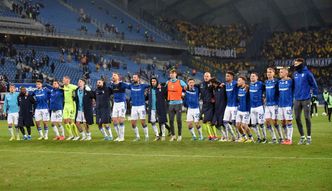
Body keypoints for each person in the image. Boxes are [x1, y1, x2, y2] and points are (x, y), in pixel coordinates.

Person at [292, 58, 318, 145]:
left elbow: (314, 85)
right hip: (297, 99)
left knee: (307, 117)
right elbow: (293, 86)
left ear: (301, 63)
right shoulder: (295, 74)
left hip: (306, 99)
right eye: (294, 63)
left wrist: (314, 95)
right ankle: (302, 137)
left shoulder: (308, 73)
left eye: (296, 63)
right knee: (297, 118)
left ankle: (309, 137)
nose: (295, 65)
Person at [165, 69, 187, 141]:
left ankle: (180, 135)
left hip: (178, 103)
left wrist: (184, 93)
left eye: (173, 73)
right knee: (171, 120)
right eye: (170, 73)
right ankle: (173, 135)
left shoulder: (180, 81)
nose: (171, 74)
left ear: (176, 74)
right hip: (171, 103)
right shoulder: (167, 82)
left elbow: (186, 88)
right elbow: (164, 90)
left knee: (178, 120)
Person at [128, 74, 150, 141]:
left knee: (143, 122)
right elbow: (122, 85)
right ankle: (137, 137)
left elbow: (151, 84)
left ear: (138, 79)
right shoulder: (130, 85)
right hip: (134, 107)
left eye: (135, 77)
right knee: (133, 123)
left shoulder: (143, 86)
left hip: (141, 106)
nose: (133, 78)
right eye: (133, 77)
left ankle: (147, 136)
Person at [110, 72, 130, 142]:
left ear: (118, 77)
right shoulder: (112, 85)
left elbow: (130, 87)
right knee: (114, 121)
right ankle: (119, 136)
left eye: (114, 75)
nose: (113, 76)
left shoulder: (122, 84)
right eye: (112, 75)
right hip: (115, 103)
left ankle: (122, 137)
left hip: (122, 103)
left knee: (121, 120)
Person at [249, 72, 267, 143]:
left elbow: (267, 89)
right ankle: (259, 137)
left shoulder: (260, 84)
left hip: (259, 106)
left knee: (261, 123)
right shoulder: (249, 85)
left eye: (253, 76)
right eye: (251, 76)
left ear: (257, 77)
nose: (252, 78)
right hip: (252, 107)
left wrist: (264, 96)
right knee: (253, 124)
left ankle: (265, 138)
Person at [278, 68, 294, 145]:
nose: (280, 73)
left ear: (286, 72)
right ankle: (286, 138)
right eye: (279, 72)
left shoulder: (291, 81)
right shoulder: (279, 82)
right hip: (280, 105)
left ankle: (289, 139)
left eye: (281, 72)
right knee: (283, 122)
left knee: (289, 121)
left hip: (288, 105)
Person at [236, 76, 253, 143]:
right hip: (240, 110)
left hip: (246, 110)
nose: (238, 82)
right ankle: (244, 137)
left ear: (243, 81)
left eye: (239, 80)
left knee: (244, 125)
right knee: (238, 125)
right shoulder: (239, 89)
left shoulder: (248, 88)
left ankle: (251, 137)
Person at [199, 72, 216, 140]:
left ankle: (214, 136)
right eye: (205, 76)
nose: (206, 77)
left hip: (211, 105)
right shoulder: (201, 84)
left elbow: (217, 91)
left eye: (207, 76)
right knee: (204, 121)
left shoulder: (212, 84)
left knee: (209, 121)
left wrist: (214, 98)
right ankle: (210, 136)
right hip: (204, 104)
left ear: (210, 77)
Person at [264, 68, 279, 144]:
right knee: (267, 122)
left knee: (275, 122)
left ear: (274, 73)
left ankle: (281, 138)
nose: (268, 73)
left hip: (274, 104)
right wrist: (265, 98)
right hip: (267, 105)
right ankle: (274, 138)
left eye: (270, 72)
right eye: (267, 72)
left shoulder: (276, 82)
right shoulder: (266, 82)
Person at [223, 71, 238, 141]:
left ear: (232, 77)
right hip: (228, 105)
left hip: (235, 105)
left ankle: (239, 136)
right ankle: (232, 136)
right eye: (226, 76)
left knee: (234, 122)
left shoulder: (235, 83)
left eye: (228, 76)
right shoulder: (226, 84)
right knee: (225, 121)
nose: (226, 77)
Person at [62, 76, 78, 140]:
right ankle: (71, 135)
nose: (63, 81)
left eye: (64, 80)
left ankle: (77, 135)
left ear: (68, 80)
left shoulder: (72, 86)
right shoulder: (64, 87)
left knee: (71, 121)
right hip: (66, 105)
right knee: (65, 121)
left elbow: (79, 88)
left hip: (71, 105)